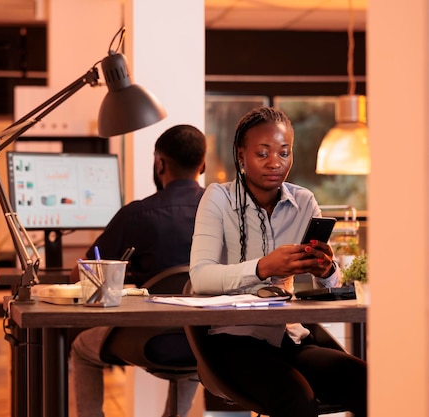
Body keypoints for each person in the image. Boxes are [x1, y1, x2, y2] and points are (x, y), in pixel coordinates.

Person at [189, 106, 367, 417]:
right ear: (241, 156)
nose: (276, 162)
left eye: (284, 152)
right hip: (232, 342)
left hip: (289, 338)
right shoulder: (218, 199)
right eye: (263, 153)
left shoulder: (304, 202)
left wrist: (326, 270)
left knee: (365, 380)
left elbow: (331, 284)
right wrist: (263, 267)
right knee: (296, 396)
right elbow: (201, 277)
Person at [70, 124, 207, 417]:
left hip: (149, 341)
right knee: (196, 330)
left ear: (160, 163)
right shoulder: (224, 213)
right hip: (207, 344)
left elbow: (84, 276)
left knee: (82, 348)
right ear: (203, 165)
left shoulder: (138, 214)